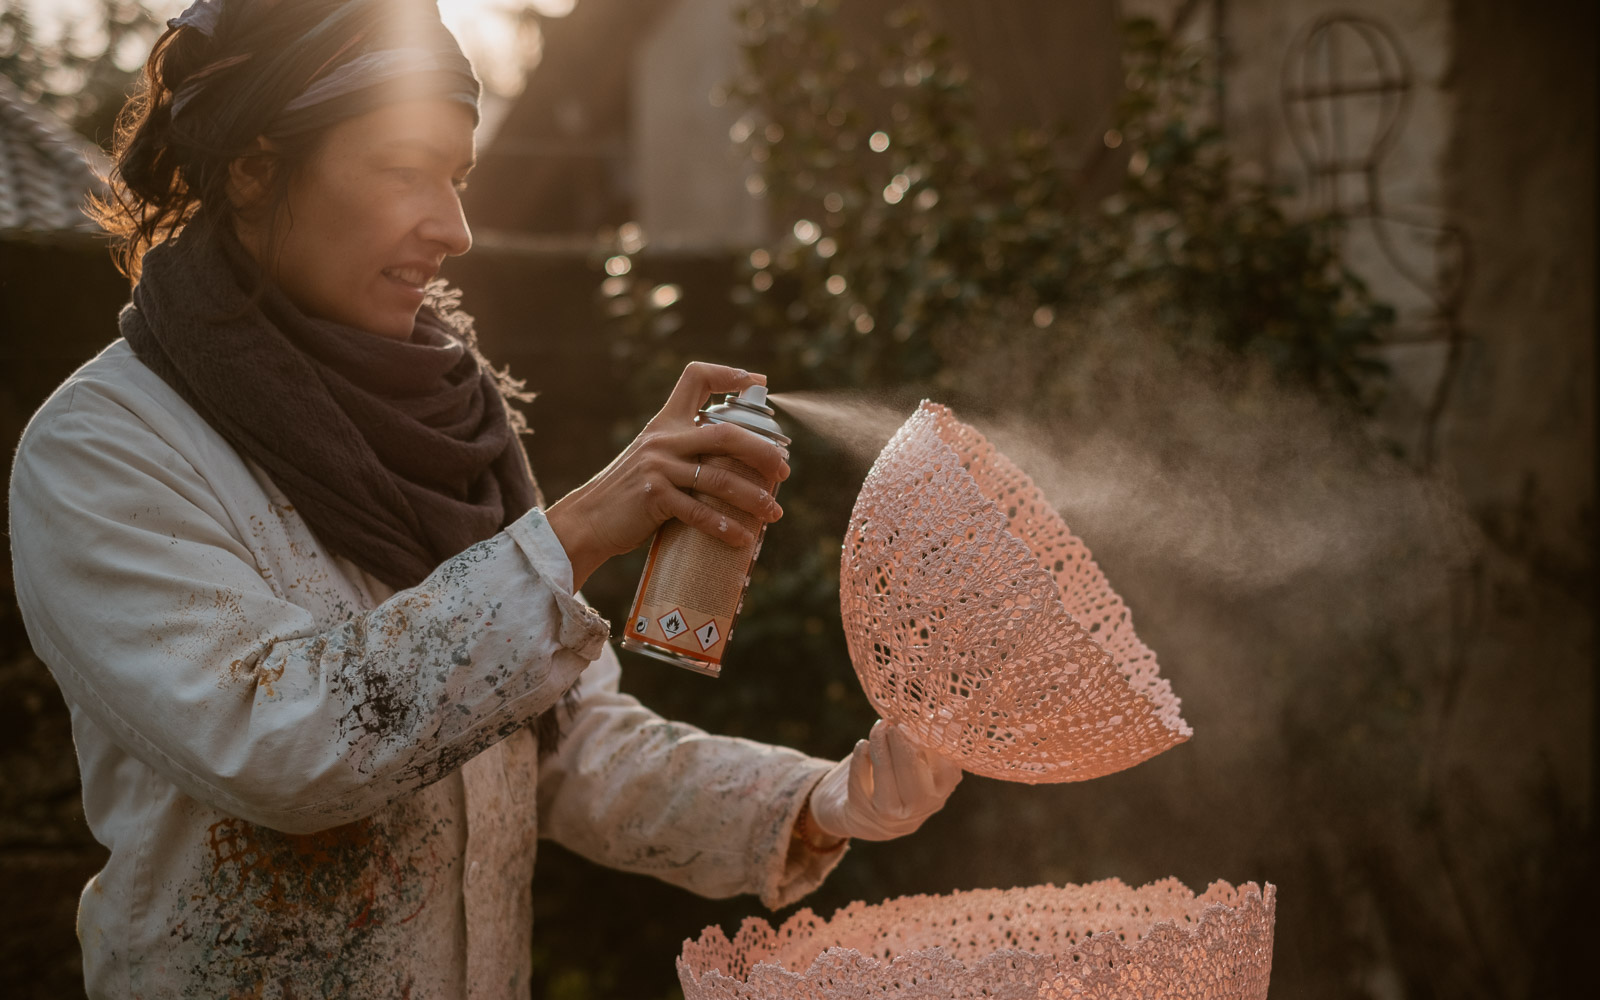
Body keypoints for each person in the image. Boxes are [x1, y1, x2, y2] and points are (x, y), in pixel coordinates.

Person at [6, 1, 962, 997]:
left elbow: (564, 742)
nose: (455, 230)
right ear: (251, 165)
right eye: (403, 168)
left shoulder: (450, 427)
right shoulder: (106, 448)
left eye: (456, 178)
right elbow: (276, 743)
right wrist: (579, 531)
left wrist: (820, 799)